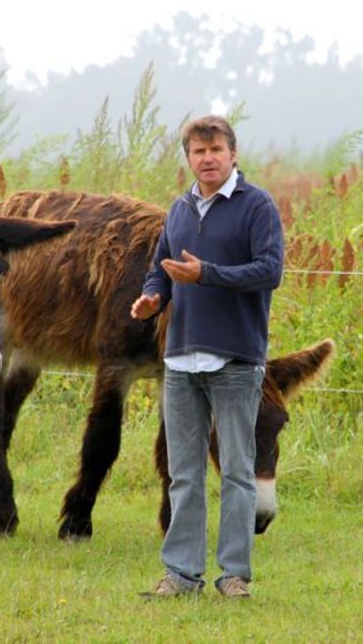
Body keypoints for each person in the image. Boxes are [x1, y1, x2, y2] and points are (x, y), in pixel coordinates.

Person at [131, 115, 284, 599]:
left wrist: (208, 274)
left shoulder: (257, 206)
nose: (208, 158)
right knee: (184, 473)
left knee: (238, 472)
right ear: (189, 159)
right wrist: (153, 297)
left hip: (236, 359)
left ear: (233, 153)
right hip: (180, 360)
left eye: (216, 149)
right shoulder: (178, 211)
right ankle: (181, 574)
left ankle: (234, 574)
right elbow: (160, 268)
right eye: (198, 152)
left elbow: (269, 270)